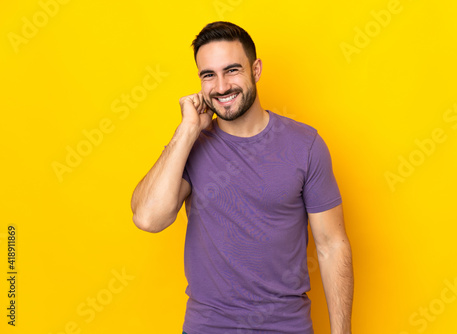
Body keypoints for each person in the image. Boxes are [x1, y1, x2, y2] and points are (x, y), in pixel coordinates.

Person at [131, 21, 353, 334]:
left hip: (287, 327)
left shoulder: (306, 145)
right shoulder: (191, 147)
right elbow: (148, 218)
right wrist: (186, 131)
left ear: (256, 70)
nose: (221, 86)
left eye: (232, 70)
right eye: (209, 75)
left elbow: (332, 246)